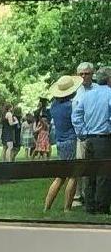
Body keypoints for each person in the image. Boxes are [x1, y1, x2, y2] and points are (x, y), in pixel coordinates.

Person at [76, 63, 111, 216]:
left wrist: (82, 132)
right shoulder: (109, 94)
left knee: (90, 173)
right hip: (104, 138)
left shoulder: (87, 95)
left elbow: (76, 115)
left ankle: (89, 205)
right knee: (104, 173)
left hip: (88, 138)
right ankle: (102, 206)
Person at [44, 75, 81, 215]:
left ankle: (47, 207)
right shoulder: (71, 106)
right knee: (73, 176)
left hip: (60, 141)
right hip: (71, 141)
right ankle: (67, 208)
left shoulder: (54, 106)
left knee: (60, 176)